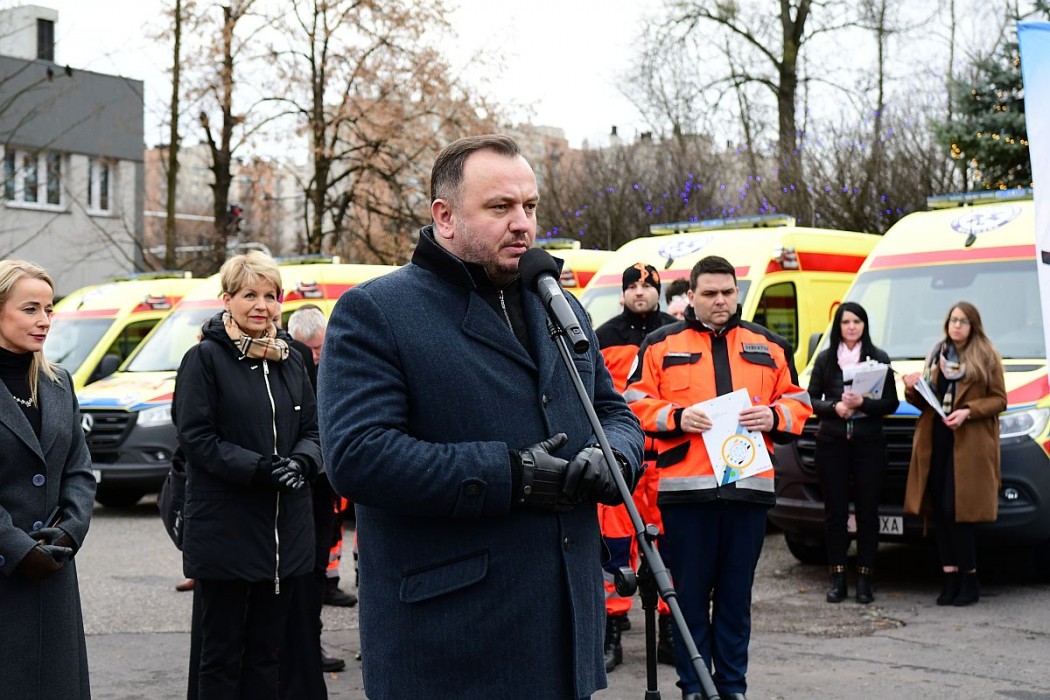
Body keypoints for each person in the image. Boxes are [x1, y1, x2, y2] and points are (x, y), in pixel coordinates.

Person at [317, 134, 644, 700]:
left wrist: (613, 455)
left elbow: (612, 410)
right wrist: (511, 475)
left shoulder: (557, 304)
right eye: (500, 207)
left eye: (530, 206)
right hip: (451, 644)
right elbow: (358, 455)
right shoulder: (376, 311)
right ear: (445, 217)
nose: (522, 224)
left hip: (565, 632)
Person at [625, 255, 812, 700]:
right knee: (688, 599)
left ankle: (732, 688)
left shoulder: (769, 345)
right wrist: (676, 416)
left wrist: (774, 415)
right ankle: (695, 687)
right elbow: (630, 403)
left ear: (737, 292)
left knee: (735, 599)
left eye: (728, 292)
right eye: (709, 293)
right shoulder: (660, 344)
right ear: (691, 296)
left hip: (748, 493)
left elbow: (799, 403)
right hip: (686, 495)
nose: (720, 300)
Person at [174, 250, 323, 699]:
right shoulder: (204, 359)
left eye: (270, 296)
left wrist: (301, 462)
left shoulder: (292, 359)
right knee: (221, 657)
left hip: (284, 534)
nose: (261, 305)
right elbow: (197, 438)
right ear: (227, 300)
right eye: (249, 295)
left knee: (266, 655)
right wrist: (259, 469)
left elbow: (314, 429)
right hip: (226, 530)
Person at [0, 259, 96, 699]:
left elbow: (79, 468)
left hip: (53, 571)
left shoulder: (58, 383)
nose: (44, 320)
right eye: (30, 309)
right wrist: (18, 548)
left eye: (49, 309)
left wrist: (70, 531)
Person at [593, 262, 679, 671]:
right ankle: (612, 629)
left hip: (665, 459)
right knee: (614, 547)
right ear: (623, 292)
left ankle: (668, 630)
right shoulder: (602, 336)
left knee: (667, 545)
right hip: (619, 462)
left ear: (659, 291)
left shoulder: (674, 336)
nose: (640, 291)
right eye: (633, 286)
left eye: (647, 285)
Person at [903, 302, 1005, 607]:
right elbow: (925, 402)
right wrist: (912, 388)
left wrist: (967, 412)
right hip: (936, 440)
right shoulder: (937, 354)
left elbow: (999, 400)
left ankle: (969, 579)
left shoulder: (985, 355)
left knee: (958, 512)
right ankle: (949, 579)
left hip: (969, 444)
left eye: (963, 321)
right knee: (939, 512)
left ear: (973, 326)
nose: (956, 325)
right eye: (952, 320)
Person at [807, 302, 898, 604]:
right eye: (846, 322)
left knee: (867, 512)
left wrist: (863, 404)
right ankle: (837, 577)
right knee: (835, 513)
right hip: (832, 443)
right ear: (838, 326)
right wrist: (834, 407)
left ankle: (865, 578)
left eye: (857, 322)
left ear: (864, 326)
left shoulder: (878, 358)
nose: (851, 327)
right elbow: (810, 400)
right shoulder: (825, 359)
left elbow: (890, 403)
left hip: (868, 444)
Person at [286, 304, 347, 677]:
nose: (318, 355)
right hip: (301, 484)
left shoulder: (331, 367)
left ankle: (309, 644)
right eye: (311, 349)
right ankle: (303, 647)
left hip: (324, 484)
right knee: (303, 574)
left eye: (321, 348)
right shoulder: (289, 369)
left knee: (316, 569)